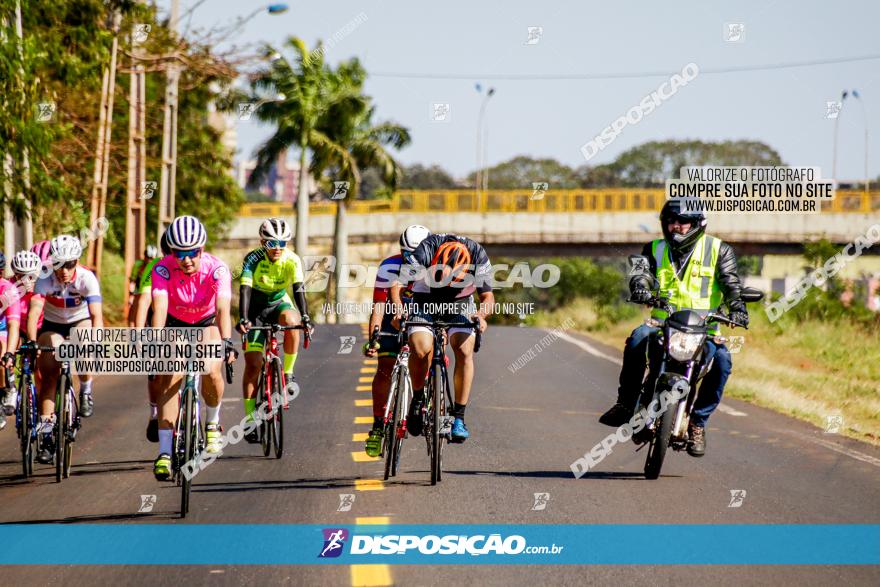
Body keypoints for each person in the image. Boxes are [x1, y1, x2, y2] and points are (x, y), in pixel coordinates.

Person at [598, 200, 749, 457]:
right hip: (660, 324)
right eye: (671, 221)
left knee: (723, 361)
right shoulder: (652, 248)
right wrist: (640, 287)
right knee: (636, 338)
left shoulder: (719, 250)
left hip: (705, 329)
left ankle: (697, 423)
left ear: (697, 224)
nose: (676, 226)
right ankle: (625, 404)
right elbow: (640, 273)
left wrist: (737, 307)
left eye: (683, 221)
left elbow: (731, 283)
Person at [149, 216, 237, 480]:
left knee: (210, 368)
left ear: (202, 249)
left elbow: (223, 309)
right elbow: (160, 308)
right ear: (171, 251)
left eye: (192, 253)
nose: (186, 259)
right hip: (175, 323)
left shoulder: (217, 269)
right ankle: (165, 453)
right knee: (171, 373)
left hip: (206, 322)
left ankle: (212, 423)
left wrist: (227, 341)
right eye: (179, 253)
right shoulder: (162, 269)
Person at [390, 232, 494, 443]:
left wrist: (481, 315)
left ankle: (458, 418)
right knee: (420, 348)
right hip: (425, 298)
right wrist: (398, 310)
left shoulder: (478, 255)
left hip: (460, 302)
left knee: (464, 349)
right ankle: (418, 399)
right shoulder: (425, 251)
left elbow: (488, 297)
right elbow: (397, 286)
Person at [236, 218, 311, 443]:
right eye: (271, 243)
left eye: (282, 243)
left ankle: (287, 372)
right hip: (255, 308)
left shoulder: (292, 259)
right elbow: (245, 291)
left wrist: (305, 316)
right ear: (262, 242)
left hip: (279, 302)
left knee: (291, 319)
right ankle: (250, 419)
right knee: (253, 365)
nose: (277, 247)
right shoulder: (252, 259)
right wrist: (243, 318)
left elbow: (298, 289)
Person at [30, 235, 103, 463]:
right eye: (59, 264)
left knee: (84, 341)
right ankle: (47, 437)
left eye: (70, 264)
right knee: (49, 376)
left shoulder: (87, 278)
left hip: (79, 321)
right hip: (53, 325)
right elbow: (34, 312)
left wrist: (97, 341)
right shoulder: (44, 275)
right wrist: (33, 341)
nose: (64, 270)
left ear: (77, 261)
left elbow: (96, 315)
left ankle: (86, 389)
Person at [362, 225, 430, 457]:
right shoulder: (389, 265)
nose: (411, 259)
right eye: (406, 254)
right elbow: (379, 308)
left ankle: (423, 402)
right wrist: (374, 338)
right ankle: (378, 426)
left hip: (423, 316)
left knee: (428, 355)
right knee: (384, 368)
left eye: (415, 254)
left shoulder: (435, 266)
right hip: (393, 317)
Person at [134, 232, 172, 443]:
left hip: (183, 319)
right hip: (158, 320)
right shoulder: (155, 267)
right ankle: (155, 411)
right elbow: (143, 301)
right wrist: (139, 333)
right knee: (156, 372)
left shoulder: (193, 263)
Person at [2, 250, 42, 418]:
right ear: (14, 275)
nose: (26, 281)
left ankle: (42, 402)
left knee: (40, 368)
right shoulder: (10, 288)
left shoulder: (42, 288)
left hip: (40, 328)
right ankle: (11, 381)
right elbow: (12, 324)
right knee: (10, 347)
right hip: (18, 330)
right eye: (20, 276)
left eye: (31, 276)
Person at [0, 252, 21, 429]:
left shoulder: (8, 290)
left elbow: (14, 325)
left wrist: (9, 353)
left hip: (4, 330)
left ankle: (8, 387)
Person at [128, 246, 159, 326]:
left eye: (152, 259)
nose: (149, 260)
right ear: (144, 256)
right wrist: (131, 296)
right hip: (139, 290)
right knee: (133, 310)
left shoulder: (156, 265)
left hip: (151, 290)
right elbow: (132, 280)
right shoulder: (138, 265)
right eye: (148, 257)